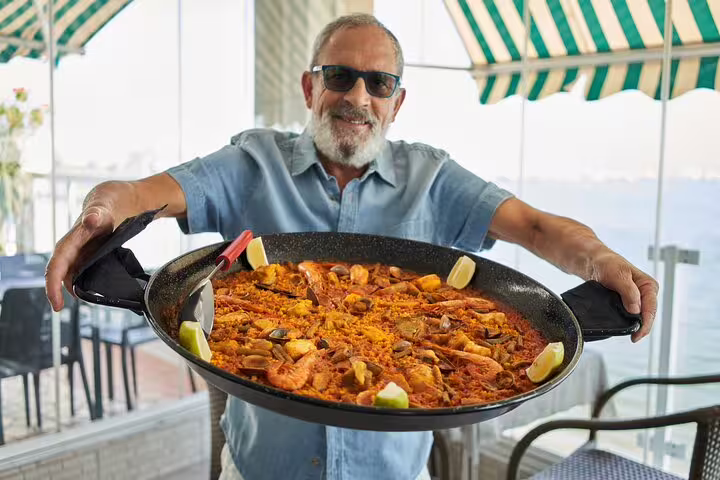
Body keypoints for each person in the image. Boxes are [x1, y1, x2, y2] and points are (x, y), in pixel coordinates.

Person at [45, 13, 658, 480]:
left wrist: (600, 260)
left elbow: (538, 228)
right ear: (311, 87)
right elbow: (138, 192)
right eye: (339, 76)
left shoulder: (435, 179)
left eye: (378, 82)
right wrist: (99, 214)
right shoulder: (251, 163)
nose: (357, 97)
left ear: (397, 101)